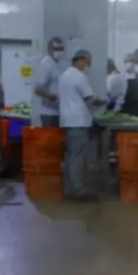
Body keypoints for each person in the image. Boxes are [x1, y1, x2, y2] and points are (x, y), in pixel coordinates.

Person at [58, 48, 104, 200]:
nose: (88, 65)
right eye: (87, 62)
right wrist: (103, 101)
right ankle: (77, 190)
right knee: (77, 155)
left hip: (67, 120)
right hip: (78, 120)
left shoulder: (64, 75)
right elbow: (90, 98)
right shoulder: (79, 76)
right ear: (81, 60)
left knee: (71, 155)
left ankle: (69, 188)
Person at [30, 37, 65, 127]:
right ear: (49, 49)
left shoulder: (58, 65)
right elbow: (38, 89)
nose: (59, 51)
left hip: (58, 111)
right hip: (48, 113)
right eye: (56, 49)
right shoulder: (45, 65)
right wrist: (53, 97)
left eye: (61, 49)